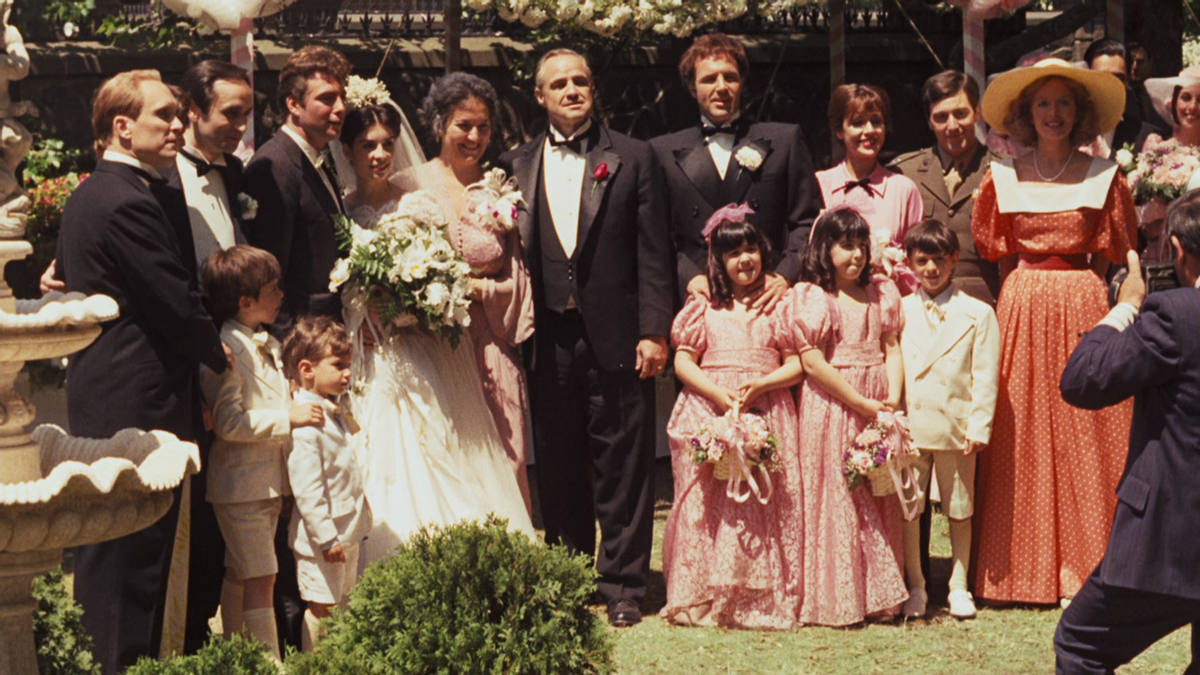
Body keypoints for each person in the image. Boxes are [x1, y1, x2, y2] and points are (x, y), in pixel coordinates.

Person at [55, 69, 231, 675]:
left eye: (180, 114)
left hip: (114, 389)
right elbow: (172, 298)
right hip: (137, 397)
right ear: (122, 127)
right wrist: (218, 354)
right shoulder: (125, 199)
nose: (179, 124)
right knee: (132, 554)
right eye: (165, 115)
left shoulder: (97, 192)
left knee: (126, 553)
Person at [501, 48, 674, 628]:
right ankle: (568, 577)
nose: (572, 90)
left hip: (619, 335)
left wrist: (654, 330)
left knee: (624, 463)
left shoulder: (632, 156)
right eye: (559, 84)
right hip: (545, 336)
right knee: (559, 462)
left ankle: (624, 584)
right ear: (540, 96)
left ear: (593, 89)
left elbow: (654, 251)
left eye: (580, 81)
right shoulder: (515, 164)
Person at [337, 80, 535, 565]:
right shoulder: (339, 207)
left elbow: (439, 270)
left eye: (387, 144)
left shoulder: (415, 203)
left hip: (419, 343)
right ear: (348, 150)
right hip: (364, 351)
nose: (381, 154)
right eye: (368, 146)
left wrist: (413, 305)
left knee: (443, 449)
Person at [971, 58, 1137, 606]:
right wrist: (1020, 298)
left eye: (1065, 102)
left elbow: (1119, 258)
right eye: (1043, 103)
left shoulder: (1105, 176)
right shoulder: (1000, 178)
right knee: (1021, 432)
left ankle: (1092, 569)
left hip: (1083, 301)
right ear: (1024, 113)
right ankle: (1022, 570)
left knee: (1087, 430)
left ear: (1081, 112)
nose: (1054, 113)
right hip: (1021, 303)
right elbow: (996, 256)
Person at [1054, 193, 1200, 674]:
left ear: (1177, 248)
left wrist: (1126, 307)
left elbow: (1082, 380)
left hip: (1172, 538)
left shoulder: (1176, 314)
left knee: (1080, 645)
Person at [396, 72, 536, 515]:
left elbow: (521, 279)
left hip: (490, 342)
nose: (474, 136)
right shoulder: (406, 184)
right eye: (464, 125)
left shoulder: (501, 188)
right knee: (446, 459)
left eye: (483, 127)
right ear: (440, 125)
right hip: (431, 345)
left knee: (506, 455)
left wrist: (480, 289)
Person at [660, 203, 804, 630]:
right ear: (718, 262)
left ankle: (755, 596)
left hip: (764, 404)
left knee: (760, 502)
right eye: (733, 253)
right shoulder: (705, 306)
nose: (745, 260)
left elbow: (796, 363)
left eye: (751, 250)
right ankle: (705, 593)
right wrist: (715, 392)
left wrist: (761, 386)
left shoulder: (779, 304)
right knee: (710, 504)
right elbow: (683, 362)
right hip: (710, 407)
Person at [779, 207, 908, 626]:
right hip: (834, 402)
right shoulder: (816, 297)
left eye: (861, 246)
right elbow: (813, 363)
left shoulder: (880, 292)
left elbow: (891, 347)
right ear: (825, 249)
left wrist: (891, 398)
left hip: (875, 402)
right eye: (846, 246)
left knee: (876, 490)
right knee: (835, 493)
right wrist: (859, 401)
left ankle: (880, 594)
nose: (856, 255)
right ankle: (837, 597)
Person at [198, 245, 324, 661]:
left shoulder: (262, 342)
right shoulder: (226, 352)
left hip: (263, 482)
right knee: (262, 576)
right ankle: (267, 663)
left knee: (242, 571)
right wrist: (289, 417)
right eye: (273, 289)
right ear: (245, 302)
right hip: (241, 484)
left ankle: (239, 657)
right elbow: (229, 423)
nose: (282, 295)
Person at [650, 33, 822, 306]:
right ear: (692, 87)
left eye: (730, 77)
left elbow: (806, 219)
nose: (721, 87)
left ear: (742, 82)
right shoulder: (661, 152)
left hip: (768, 298)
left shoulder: (784, 140)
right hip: (700, 299)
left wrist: (784, 275)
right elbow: (655, 234)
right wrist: (688, 276)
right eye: (709, 79)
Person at [897, 219, 999, 621]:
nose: (931, 269)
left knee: (960, 507)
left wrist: (979, 426)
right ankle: (917, 585)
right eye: (922, 261)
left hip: (956, 427)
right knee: (911, 508)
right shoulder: (900, 311)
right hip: (912, 429)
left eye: (939, 260)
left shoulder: (978, 312)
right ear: (909, 263)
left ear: (955, 260)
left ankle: (959, 584)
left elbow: (986, 375)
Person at [281, 316, 372, 653]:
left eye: (349, 364)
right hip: (323, 541)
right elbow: (308, 488)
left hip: (347, 532)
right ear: (307, 370)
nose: (347, 373)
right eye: (338, 365)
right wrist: (325, 535)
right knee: (322, 608)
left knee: (343, 603)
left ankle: (338, 661)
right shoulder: (306, 422)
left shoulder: (332, 410)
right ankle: (315, 663)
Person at [244, 45, 350, 330]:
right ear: (293, 104)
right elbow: (268, 272)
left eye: (342, 97)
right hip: (304, 336)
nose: (340, 108)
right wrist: (286, 349)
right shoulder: (274, 166)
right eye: (327, 99)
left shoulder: (318, 157)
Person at [890, 71, 1004, 306]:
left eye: (960, 114)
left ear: (977, 112)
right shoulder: (904, 173)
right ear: (929, 121)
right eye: (941, 117)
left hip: (983, 300)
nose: (952, 126)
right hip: (919, 301)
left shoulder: (1004, 171)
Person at [817, 84, 923, 246]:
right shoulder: (819, 184)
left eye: (876, 121)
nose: (869, 130)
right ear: (838, 130)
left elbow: (916, 257)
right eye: (858, 123)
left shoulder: (903, 190)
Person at [1083, 39, 1160, 158]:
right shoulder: (1066, 131)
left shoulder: (1146, 137)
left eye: (1118, 78)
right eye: (1102, 77)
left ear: (1127, 82)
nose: (1110, 85)